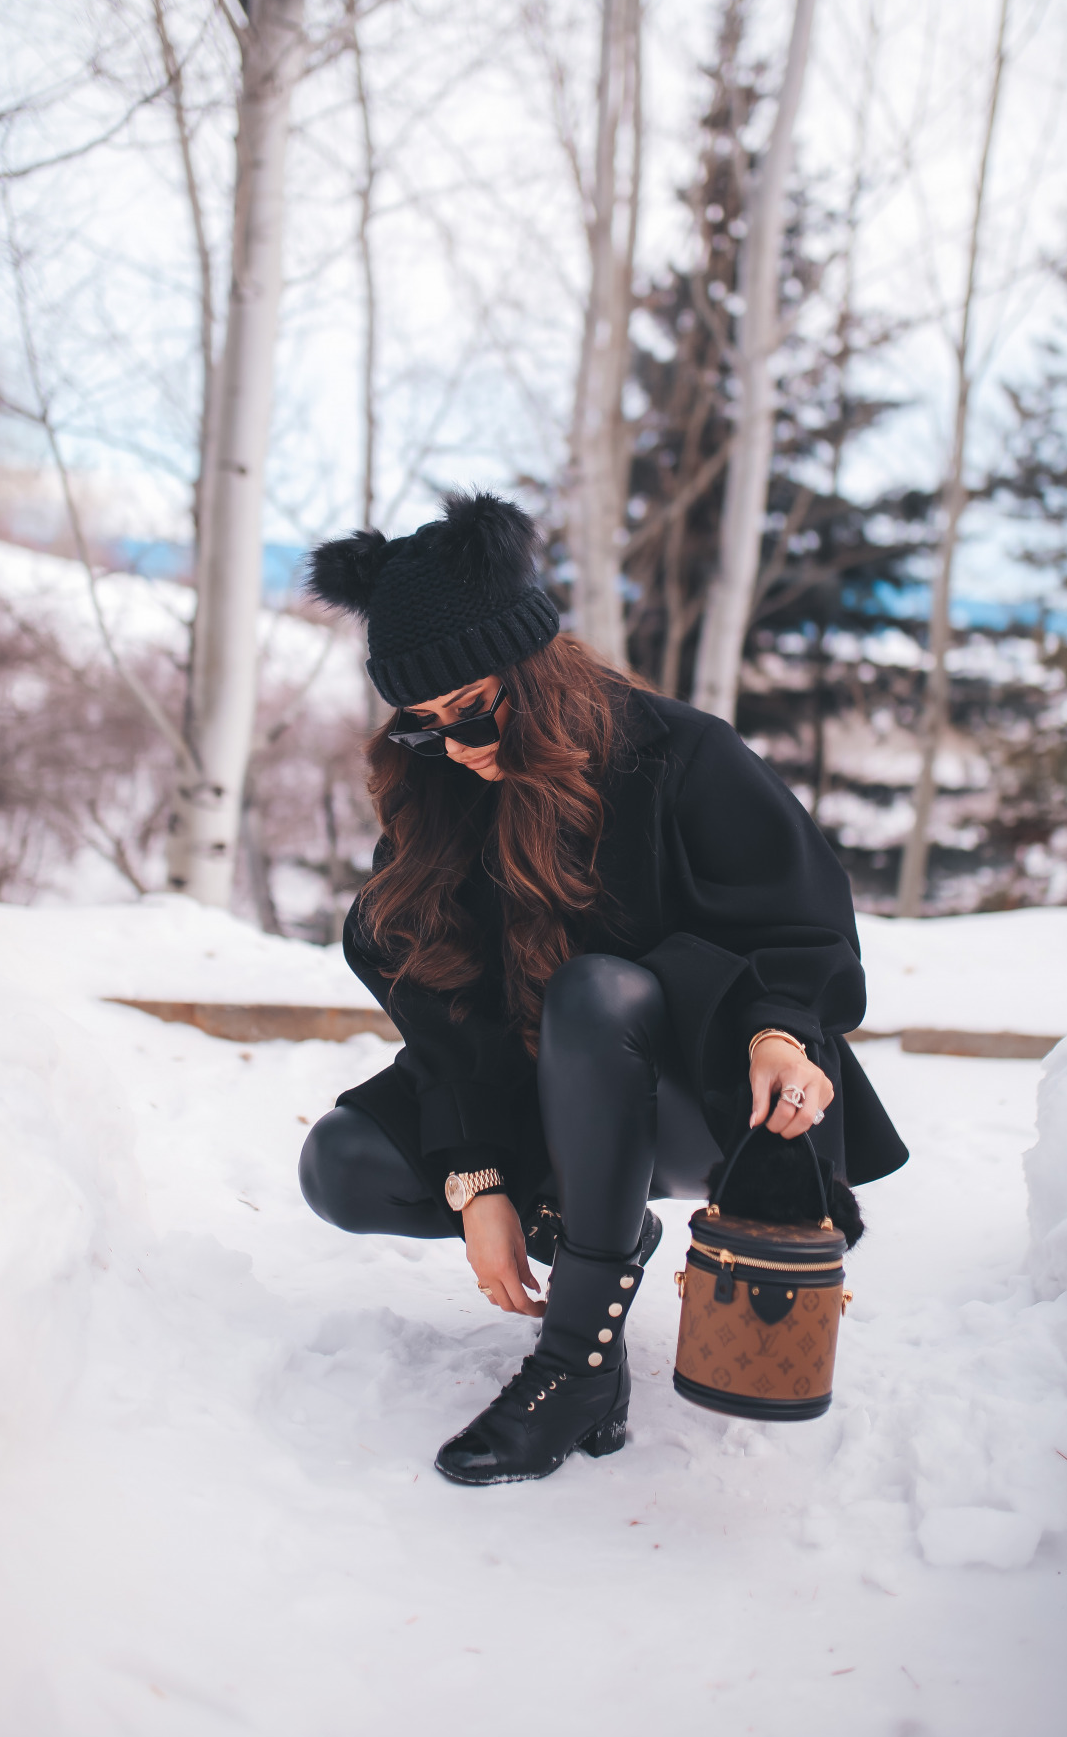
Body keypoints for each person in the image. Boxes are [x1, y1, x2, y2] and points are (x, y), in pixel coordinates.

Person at [298, 490, 907, 1486]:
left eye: (474, 708)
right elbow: (441, 1019)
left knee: (595, 991)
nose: (454, 745)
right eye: (422, 725)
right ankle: (591, 1242)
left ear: (532, 669)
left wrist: (778, 1031)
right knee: (343, 1163)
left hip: (703, 1093)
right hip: (536, 1097)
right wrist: (478, 1176)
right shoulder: (441, 796)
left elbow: (802, 920)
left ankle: (574, 1365)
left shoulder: (680, 752)